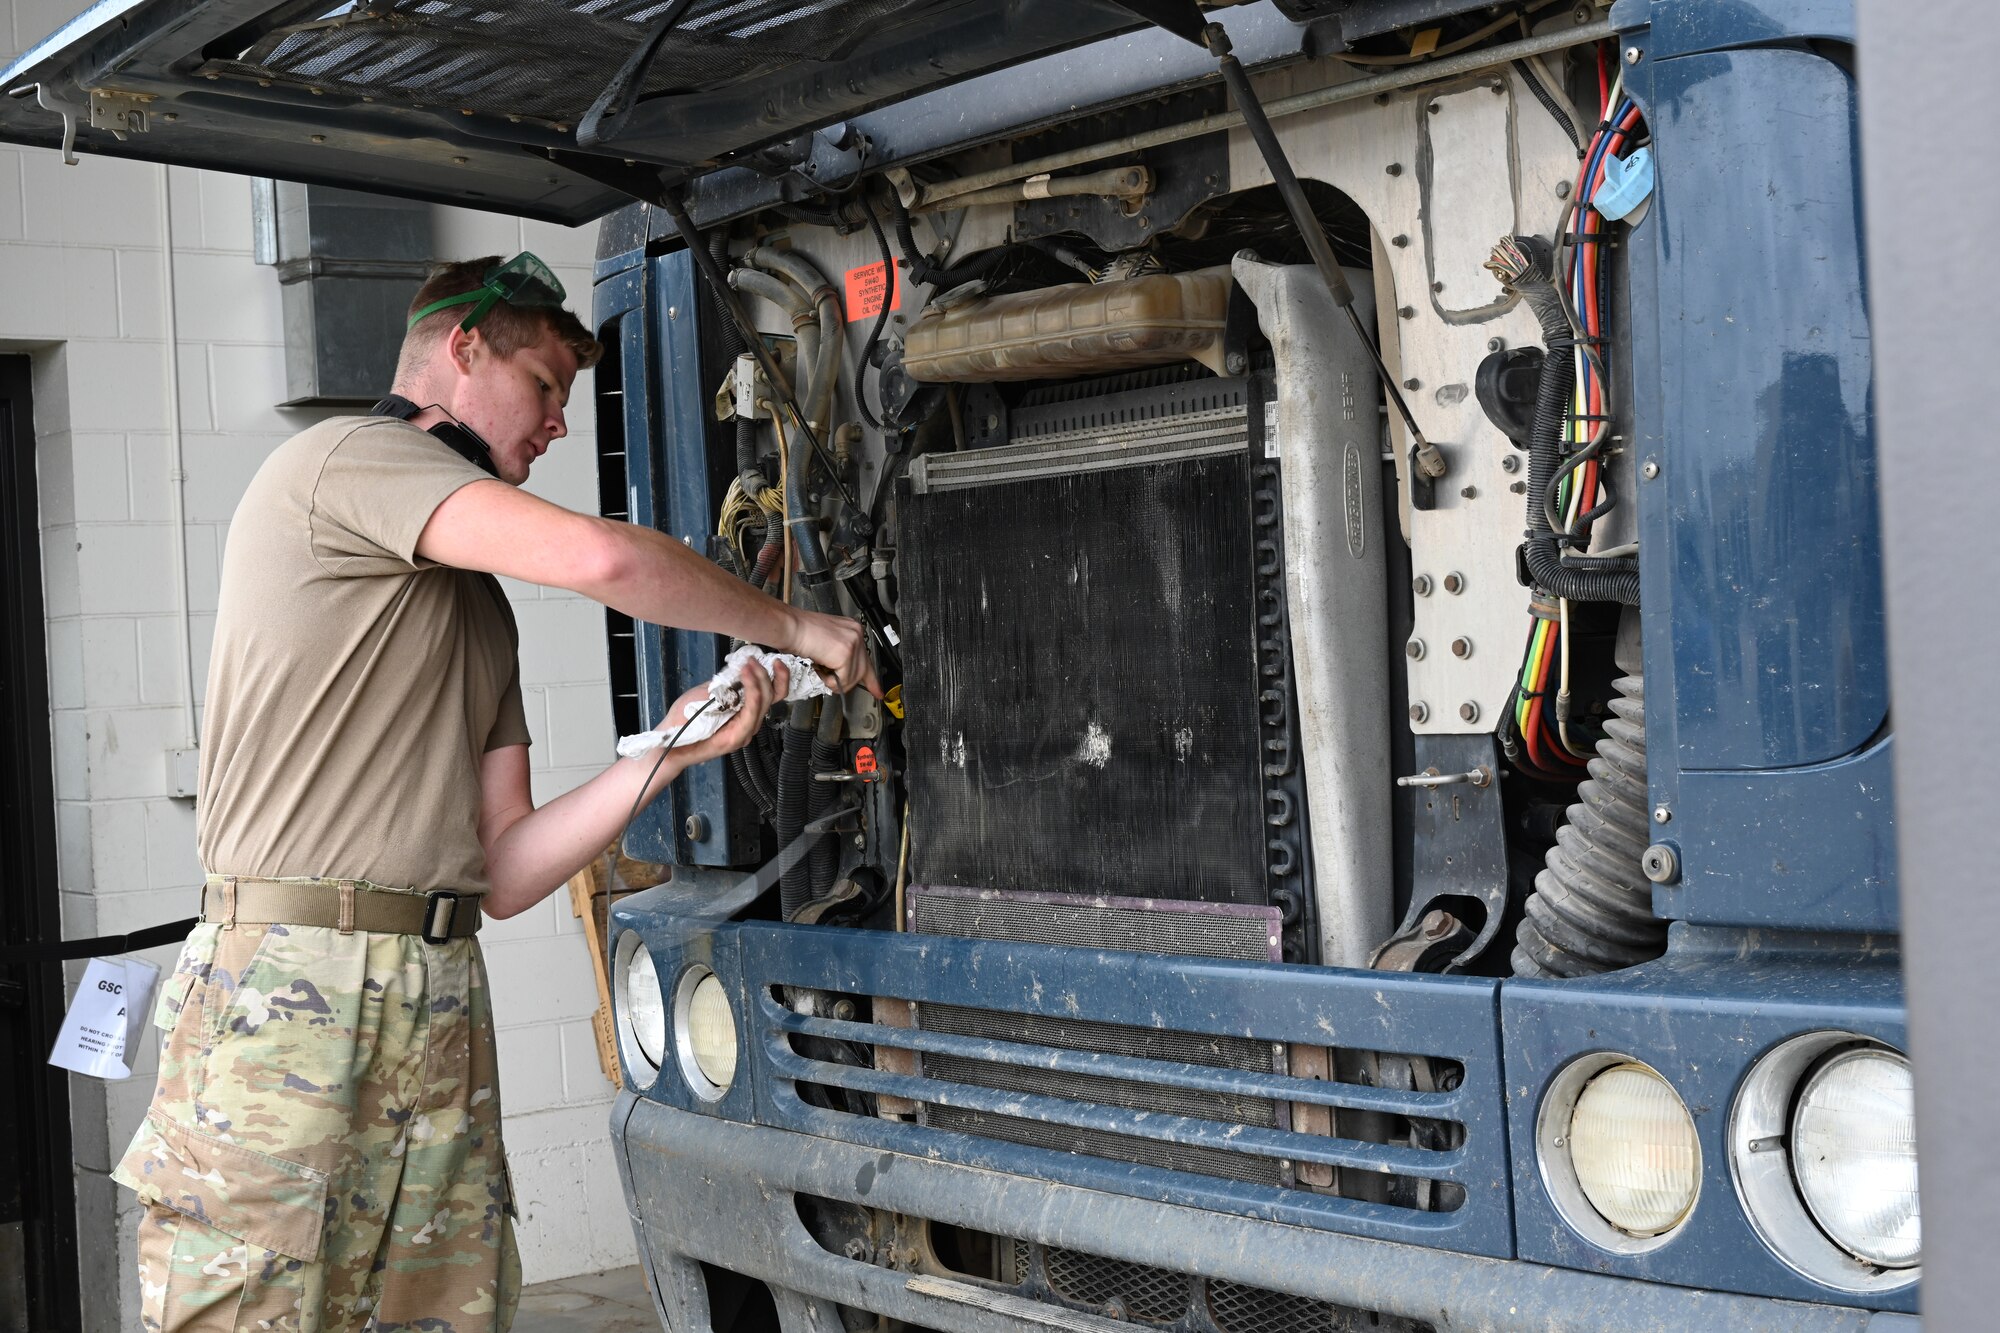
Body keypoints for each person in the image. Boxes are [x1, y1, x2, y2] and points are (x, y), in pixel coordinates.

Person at [109, 253, 876, 1331]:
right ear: (461, 350)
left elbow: (505, 866)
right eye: (545, 384)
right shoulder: (345, 458)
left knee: (449, 1311)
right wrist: (793, 625)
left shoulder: (471, 606)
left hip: (434, 985)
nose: (558, 422)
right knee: (249, 1309)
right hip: (295, 985)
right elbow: (605, 562)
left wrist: (664, 755)